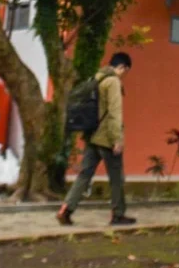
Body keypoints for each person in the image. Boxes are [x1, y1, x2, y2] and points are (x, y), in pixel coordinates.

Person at [57, 52, 135, 226]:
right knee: (116, 178)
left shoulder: (97, 78)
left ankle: (66, 209)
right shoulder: (113, 82)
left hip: (91, 135)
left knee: (84, 175)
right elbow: (115, 113)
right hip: (106, 138)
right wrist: (117, 139)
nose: (124, 75)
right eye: (125, 71)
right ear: (123, 67)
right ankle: (118, 214)